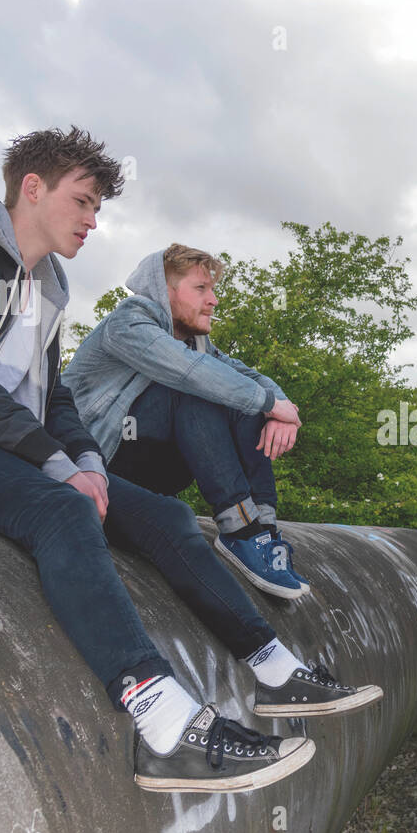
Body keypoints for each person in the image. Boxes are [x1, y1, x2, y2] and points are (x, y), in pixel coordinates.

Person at [0, 128, 376, 793]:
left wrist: (83, 455)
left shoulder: (48, 285)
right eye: (82, 201)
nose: (92, 219)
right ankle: (167, 729)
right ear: (32, 188)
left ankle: (277, 670)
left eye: (99, 207)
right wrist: (58, 465)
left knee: (165, 516)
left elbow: (54, 399)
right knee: (62, 511)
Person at [64, 244, 309, 598]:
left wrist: (280, 408)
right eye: (200, 289)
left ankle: (263, 530)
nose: (213, 301)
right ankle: (238, 528)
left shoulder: (197, 342)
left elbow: (247, 376)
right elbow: (190, 372)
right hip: (95, 463)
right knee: (200, 389)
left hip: (151, 469)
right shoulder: (129, 321)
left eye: (213, 290)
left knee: (244, 401)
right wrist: (271, 403)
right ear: (165, 291)